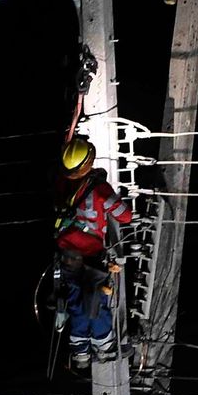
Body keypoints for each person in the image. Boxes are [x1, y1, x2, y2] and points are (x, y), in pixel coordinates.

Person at [53, 136, 132, 369]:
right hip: (92, 259)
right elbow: (125, 215)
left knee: (76, 303)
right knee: (96, 303)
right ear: (89, 161)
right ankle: (104, 346)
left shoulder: (60, 185)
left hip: (67, 257)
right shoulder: (98, 190)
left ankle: (80, 353)